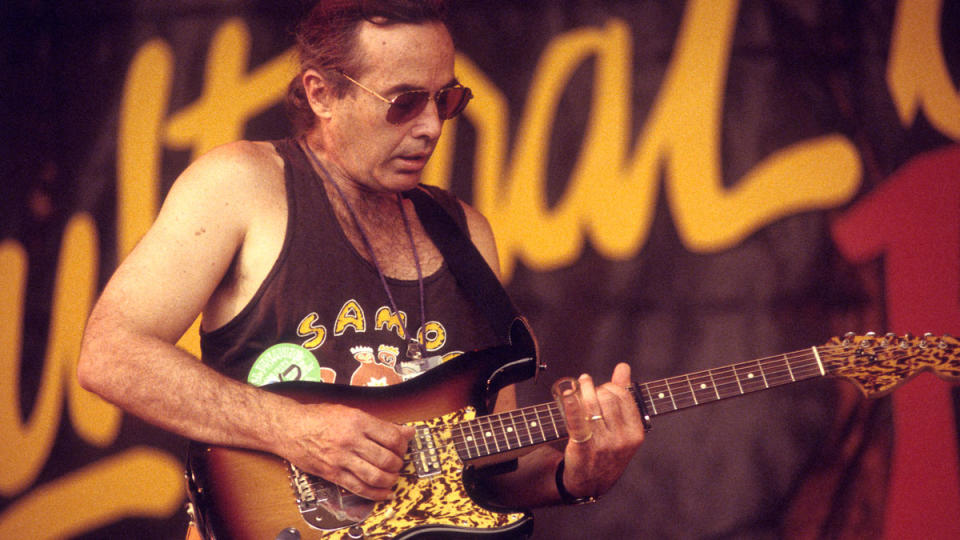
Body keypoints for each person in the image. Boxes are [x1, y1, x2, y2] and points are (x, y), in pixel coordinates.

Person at [78, 0, 645, 535]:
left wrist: (576, 477)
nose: (430, 127)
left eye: (445, 100)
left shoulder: (466, 234)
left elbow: (494, 474)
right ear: (322, 94)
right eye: (403, 102)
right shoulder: (243, 183)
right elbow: (110, 355)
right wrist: (293, 430)